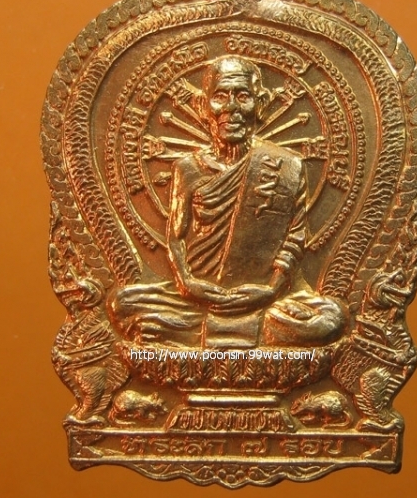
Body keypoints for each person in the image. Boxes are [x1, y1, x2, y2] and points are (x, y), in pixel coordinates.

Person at [112, 56, 346, 348]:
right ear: (203, 106)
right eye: (220, 96)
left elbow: (295, 239)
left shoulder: (287, 166)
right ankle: (242, 334)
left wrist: (271, 289)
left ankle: (194, 334)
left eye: (243, 96)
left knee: (331, 320)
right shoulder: (188, 168)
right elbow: (176, 237)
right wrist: (188, 284)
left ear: (260, 104)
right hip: (196, 296)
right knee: (123, 303)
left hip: (267, 297)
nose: (231, 108)